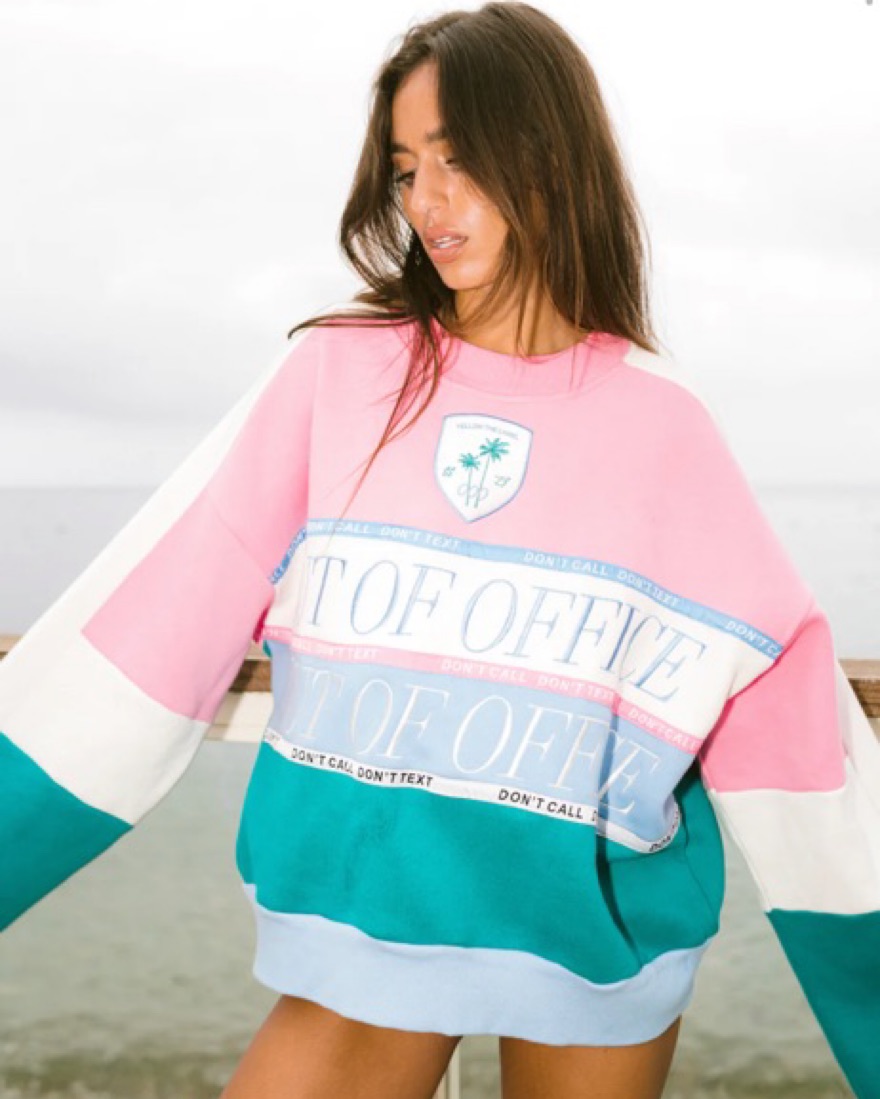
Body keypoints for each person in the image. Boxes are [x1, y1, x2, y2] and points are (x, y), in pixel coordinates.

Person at [1, 4, 878, 1098]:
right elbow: (157, 620)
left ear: (549, 158)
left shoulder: (665, 424)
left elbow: (785, 701)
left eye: (458, 159)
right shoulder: (338, 377)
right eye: (407, 169)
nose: (425, 201)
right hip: (368, 926)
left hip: (595, 941)